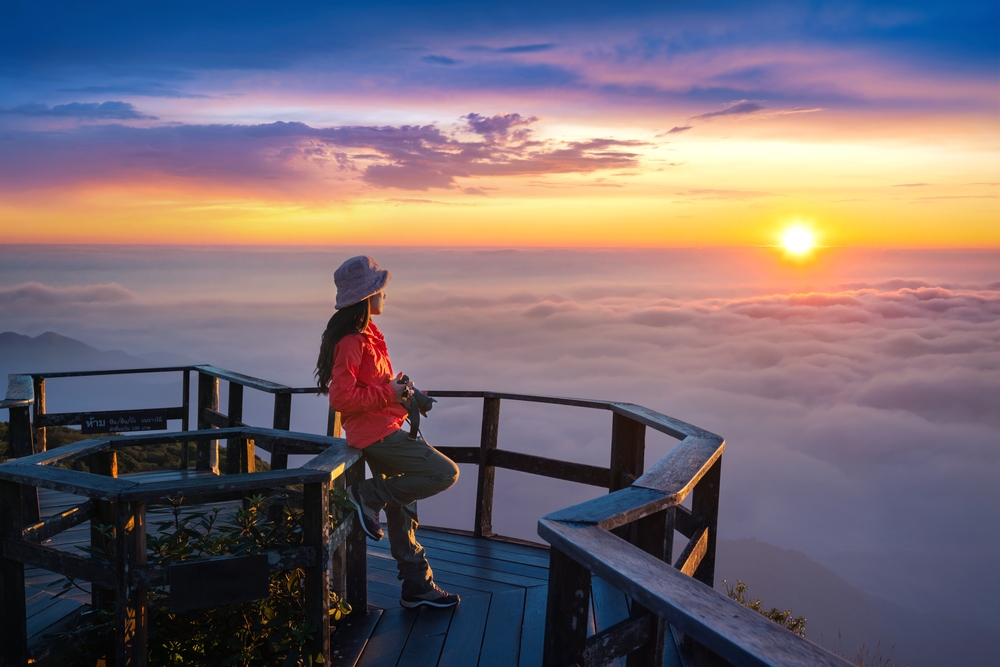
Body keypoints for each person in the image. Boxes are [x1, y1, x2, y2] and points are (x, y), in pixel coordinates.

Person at [315, 255, 461, 609]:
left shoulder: (369, 335)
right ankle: (368, 494)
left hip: (384, 426)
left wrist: (408, 393)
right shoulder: (352, 341)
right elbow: (341, 397)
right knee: (444, 473)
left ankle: (417, 587)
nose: (385, 295)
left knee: (404, 507)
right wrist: (390, 394)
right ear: (367, 297)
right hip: (376, 434)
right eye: (381, 289)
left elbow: (376, 384)